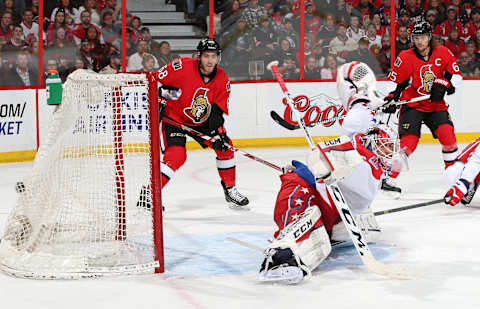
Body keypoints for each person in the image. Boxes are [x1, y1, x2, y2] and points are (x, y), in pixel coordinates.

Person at [258, 126, 397, 284]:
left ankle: (299, 256)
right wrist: (321, 162)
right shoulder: (357, 154)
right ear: (370, 141)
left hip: (330, 214)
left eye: (392, 147)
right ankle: (280, 255)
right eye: (387, 145)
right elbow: (320, 153)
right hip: (306, 191)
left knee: (318, 240)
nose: (390, 152)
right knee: (299, 203)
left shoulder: (375, 172)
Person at [156, 38, 249, 208]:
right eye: (206, 56)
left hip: (201, 121)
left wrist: (217, 134)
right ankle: (151, 194)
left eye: (213, 56)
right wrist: (160, 98)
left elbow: (217, 111)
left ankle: (230, 189)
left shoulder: (222, 78)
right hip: (174, 119)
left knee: (226, 148)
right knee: (176, 156)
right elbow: (155, 81)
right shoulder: (181, 67)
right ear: (199, 56)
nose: (210, 60)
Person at [384, 21, 463, 195]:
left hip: (435, 106)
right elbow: (396, 82)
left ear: (430, 37)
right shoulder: (405, 56)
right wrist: (390, 97)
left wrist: (444, 84)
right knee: (408, 143)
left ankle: (454, 176)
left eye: (423, 37)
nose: (420, 41)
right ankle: (388, 178)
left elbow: (456, 76)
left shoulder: (443, 52)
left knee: (448, 138)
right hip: (413, 104)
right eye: (416, 37)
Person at [444, 137, 480, 207]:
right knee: (451, 176)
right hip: (471, 159)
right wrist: (463, 184)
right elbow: (477, 160)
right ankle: (474, 180)